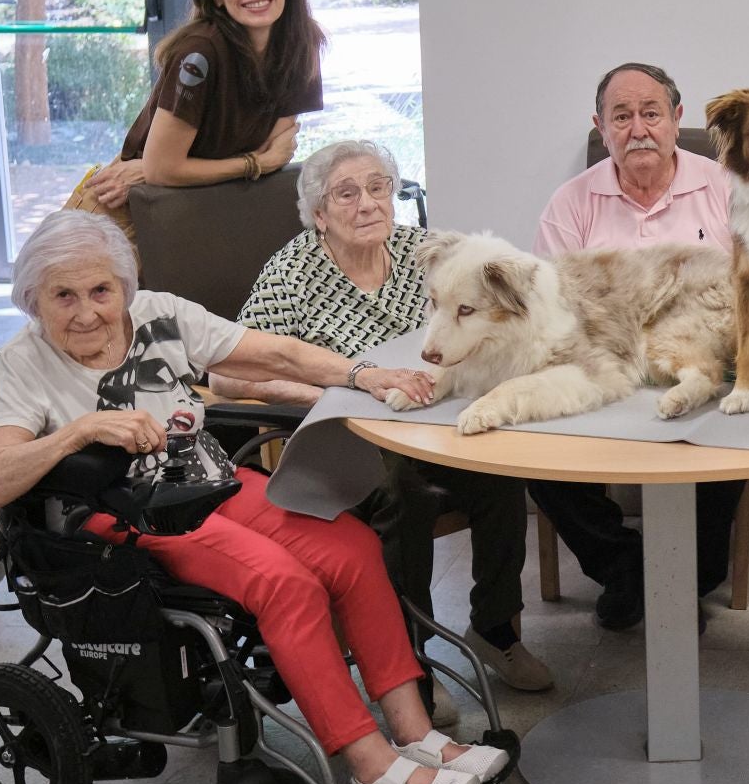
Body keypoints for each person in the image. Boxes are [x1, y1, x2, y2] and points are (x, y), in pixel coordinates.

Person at [0, 210, 507, 784]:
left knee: (353, 548)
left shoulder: (159, 313)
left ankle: (415, 735)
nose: (87, 311)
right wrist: (82, 431)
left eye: (101, 290)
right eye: (62, 295)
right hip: (123, 517)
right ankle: (374, 774)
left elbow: (274, 354)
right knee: (284, 582)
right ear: (33, 299)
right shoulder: (24, 362)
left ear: (124, 286)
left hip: (206, 482)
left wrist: (365, 374)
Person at [209, 139, 551, 695]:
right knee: (404, 491)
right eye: (347, 193)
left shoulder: (427, 254)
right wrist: (321, 393)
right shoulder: (293, 272)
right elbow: (227, 374)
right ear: (319, 214)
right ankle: (406, 661)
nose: (368, 203)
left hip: (432, 425)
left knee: (501, 470)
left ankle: (494, 628)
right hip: (345, 443)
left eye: (378, 187)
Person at [531, 62, 743, 630]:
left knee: (734, 420)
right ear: (601, 127)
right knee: (531, 445)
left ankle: (689, 577)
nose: (638, 128)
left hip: (704, 370)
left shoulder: (725, 187)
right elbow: (551, 310)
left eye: (651, 113)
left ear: (677, 119)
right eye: (621, 116)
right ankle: (624, 566)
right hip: (607, 373)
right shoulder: (571, 203)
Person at [79, 0, 325, 222]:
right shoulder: (200, 53)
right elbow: (263, 158)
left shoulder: (301, 43)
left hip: (201, 196)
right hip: (126, 199)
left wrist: (168, 168)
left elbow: (271, 148)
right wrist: (251, 165)